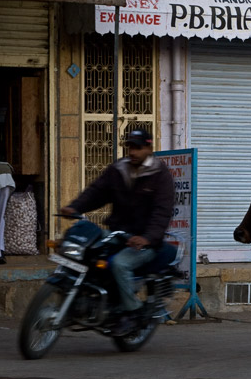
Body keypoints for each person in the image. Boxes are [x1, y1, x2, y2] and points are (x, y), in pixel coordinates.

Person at [60, 129, 174, 335]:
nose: (133, 151)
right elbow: (97, 192)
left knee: (120, 264)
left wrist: (147, 238)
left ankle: (132, 312)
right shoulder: (118, 168)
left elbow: (162, 212)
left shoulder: (160, 175)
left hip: (144, 242)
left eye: (138, 147)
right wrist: (75, 207)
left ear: (149, 148)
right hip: (116, 234)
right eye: (130, 146)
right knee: (85, 248)